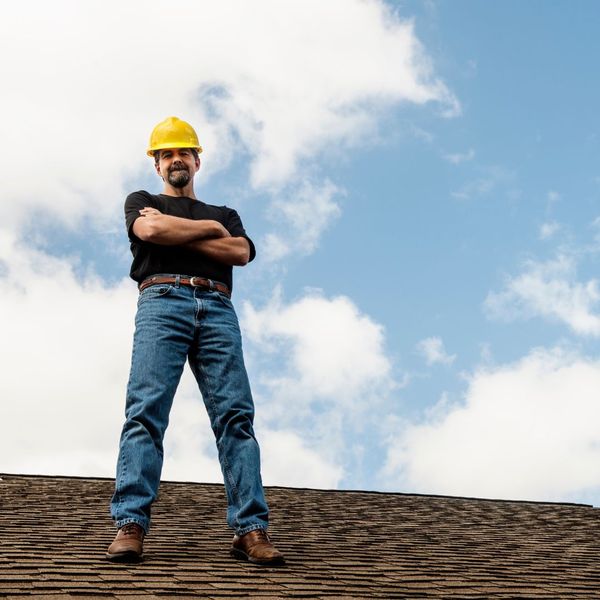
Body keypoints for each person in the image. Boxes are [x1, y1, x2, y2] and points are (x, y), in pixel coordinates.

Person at [106, 116, 283, 566]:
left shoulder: (225, 213)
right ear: (157, 165)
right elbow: (149, 232)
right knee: (145, 413)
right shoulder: (143, 202)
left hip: (218, 306)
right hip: (162, 300)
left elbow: (240, 252)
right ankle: (130, 525)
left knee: (236, 419)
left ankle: (251, 531)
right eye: (166, 154)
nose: (175, 159)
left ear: (197, 160)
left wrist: (183, 230)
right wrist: (209, 233)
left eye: (183, 152)